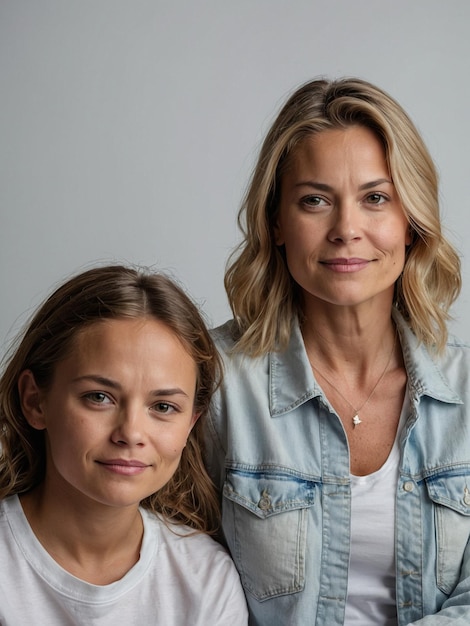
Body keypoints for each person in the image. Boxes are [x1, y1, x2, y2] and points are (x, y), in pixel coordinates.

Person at [203, 77, 470, 625]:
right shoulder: (214, 382)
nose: (346, 229)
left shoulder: (466, 388)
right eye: (315, 201)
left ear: (411, 223)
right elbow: (173, 571)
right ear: (276, 222)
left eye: (376, 198)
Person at [0, 264, 248, 625]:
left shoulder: (206, 581)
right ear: (36, 401)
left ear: (191, 423)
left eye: (163, 407)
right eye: (99, 397)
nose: (131, 433)